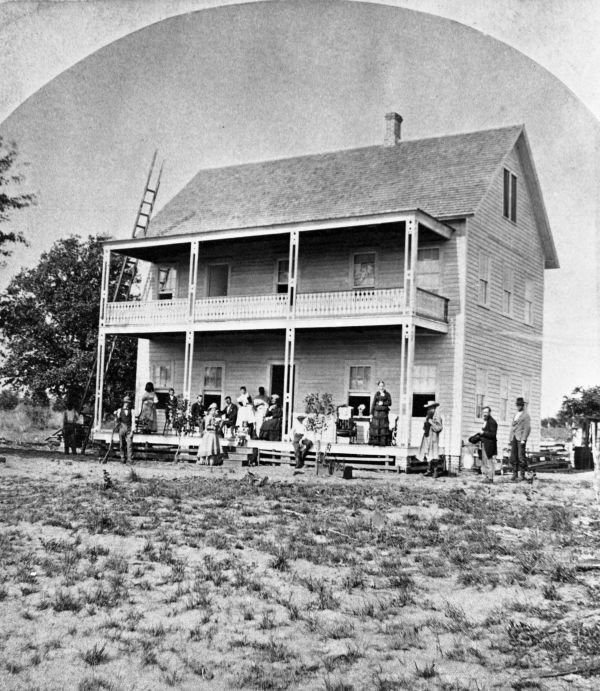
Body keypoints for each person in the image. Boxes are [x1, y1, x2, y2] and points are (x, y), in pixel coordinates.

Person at [417, 401, 443, 477]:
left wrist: (431, 423)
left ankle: (435, 471)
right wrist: (426, 424)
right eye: (428, 408)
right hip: (427, 436)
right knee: (428, 454)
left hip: (433, 438)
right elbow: (424, 426)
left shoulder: (437, 416)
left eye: (431, 408)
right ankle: (429, 470)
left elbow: (439, 428)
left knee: (434, 454)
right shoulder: (428, 416)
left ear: (434, 408)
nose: (429, 409)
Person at [510, 396, 531, 481]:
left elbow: (527, 428)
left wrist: (524, 439)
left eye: (520, 405)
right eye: (517, 405)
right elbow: (513, 427)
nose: (518, 407)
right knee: (513, 456)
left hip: (520, 438)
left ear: (523, 406)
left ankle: (522, 475)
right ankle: (514, 474)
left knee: (521, 456)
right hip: (514, 437)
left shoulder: (526, 416)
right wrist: (510, 438)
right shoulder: (515, 415)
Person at [475, 406, 498, 484]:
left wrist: (483, 433)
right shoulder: (485, 421)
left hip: (490, 445)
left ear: (489, 413)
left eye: (486, 412)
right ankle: (485, 477)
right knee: (483, 461)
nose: (484, 414)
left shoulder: (492, 422)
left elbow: (493, 435)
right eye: (483, 412)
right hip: (484, 443)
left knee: (489, 461)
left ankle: (490, 478)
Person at [368, 380, 392, 446]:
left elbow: (390, 403)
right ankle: (376, 442)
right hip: (376, 413)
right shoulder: (377, 394)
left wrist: (383, 403)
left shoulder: (387, 394)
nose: (381, 387)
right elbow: (373, 403)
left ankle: (382, 442)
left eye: (382, 386)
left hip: (383, 413)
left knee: (383, 427)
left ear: (384, 386)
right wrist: (371, 413)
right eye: (380, 386)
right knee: (376, 426)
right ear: (378, 387)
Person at [114, 395, 134, 464]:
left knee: (129, 444)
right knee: (122, 444)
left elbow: (133, 421)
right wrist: (116, 415)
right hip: (122, 427)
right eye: (125, 402)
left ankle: (130, 459)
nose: (127, 404)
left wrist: (132, 431)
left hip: (129, 428)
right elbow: (117, 420)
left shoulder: (132, 411)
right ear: (124, 402)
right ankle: (122, 458)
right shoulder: (120, 410)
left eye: (128, 402)